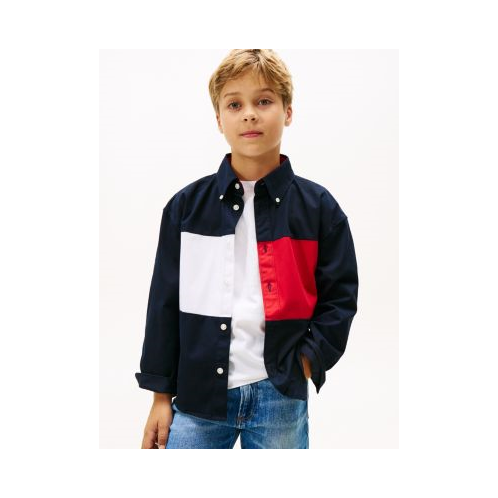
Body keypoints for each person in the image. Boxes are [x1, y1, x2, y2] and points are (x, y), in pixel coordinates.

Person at [136, 49, 359, 449]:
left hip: (279, 395)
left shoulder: (319, 209)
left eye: (264, 101)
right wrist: (159, 397)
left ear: (288, 112)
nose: (250, 115)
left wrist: (307, 361)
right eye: (235, 104)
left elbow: (340, 297)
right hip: (198, 396)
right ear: (218, 119)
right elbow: (163, 304)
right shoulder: (185, 209)